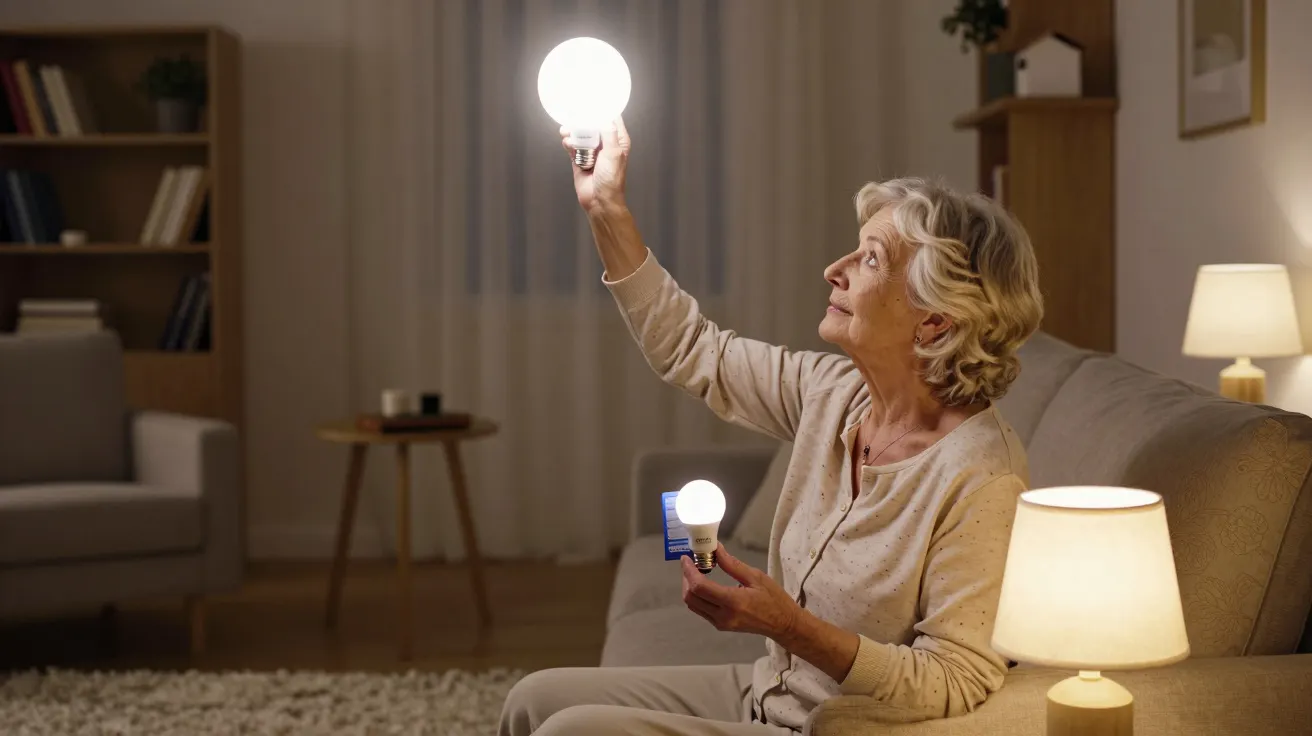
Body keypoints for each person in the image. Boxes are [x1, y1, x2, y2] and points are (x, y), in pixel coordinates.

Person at [498, 118, 1043, 735]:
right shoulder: (835, 393)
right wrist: (607, 209)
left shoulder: (981, 478)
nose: (834, 269)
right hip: (765, 692)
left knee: (569, 732)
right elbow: (693, 348)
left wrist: (789, 626)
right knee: (534, 700)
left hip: (827, 725)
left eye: (870, 259)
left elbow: (954, 680)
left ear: (936, 321)